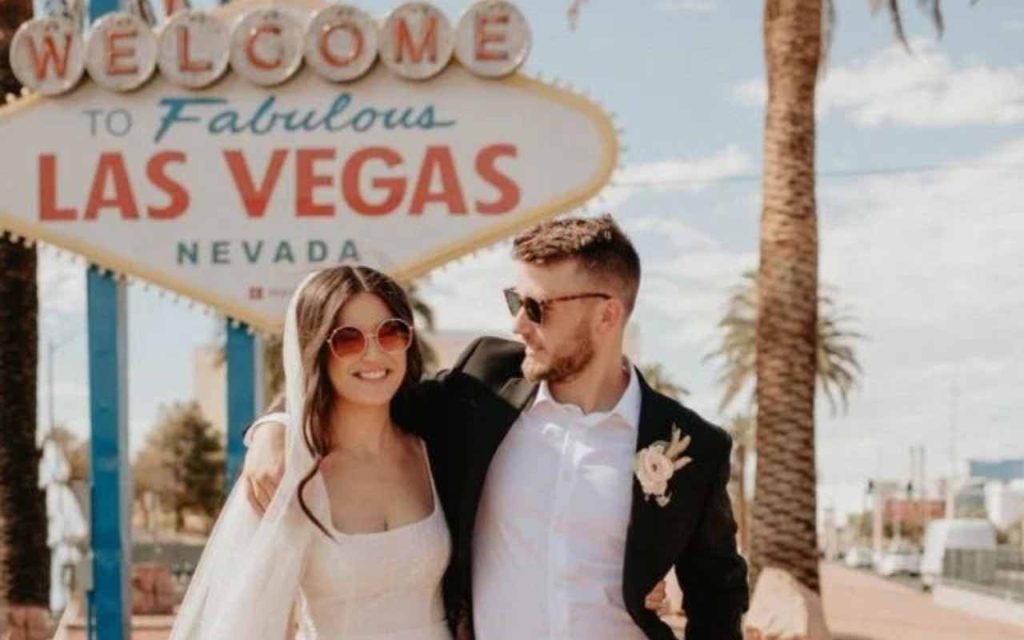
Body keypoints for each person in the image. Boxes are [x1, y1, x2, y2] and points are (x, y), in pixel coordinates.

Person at [245, 215, 749, 639]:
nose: (517, 324)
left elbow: (717, 595)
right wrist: (276, 424)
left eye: (536, 308)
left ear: (607, 316)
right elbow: (364, 383)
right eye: (515, 300)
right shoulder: (480, 387)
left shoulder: (693, 447)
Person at [170, 266, 453, 639]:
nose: (374, 353)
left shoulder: (439, 446)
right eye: (348, 339)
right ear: (317, 351)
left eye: (390, 332)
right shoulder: (285, 473)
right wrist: (274, 429)